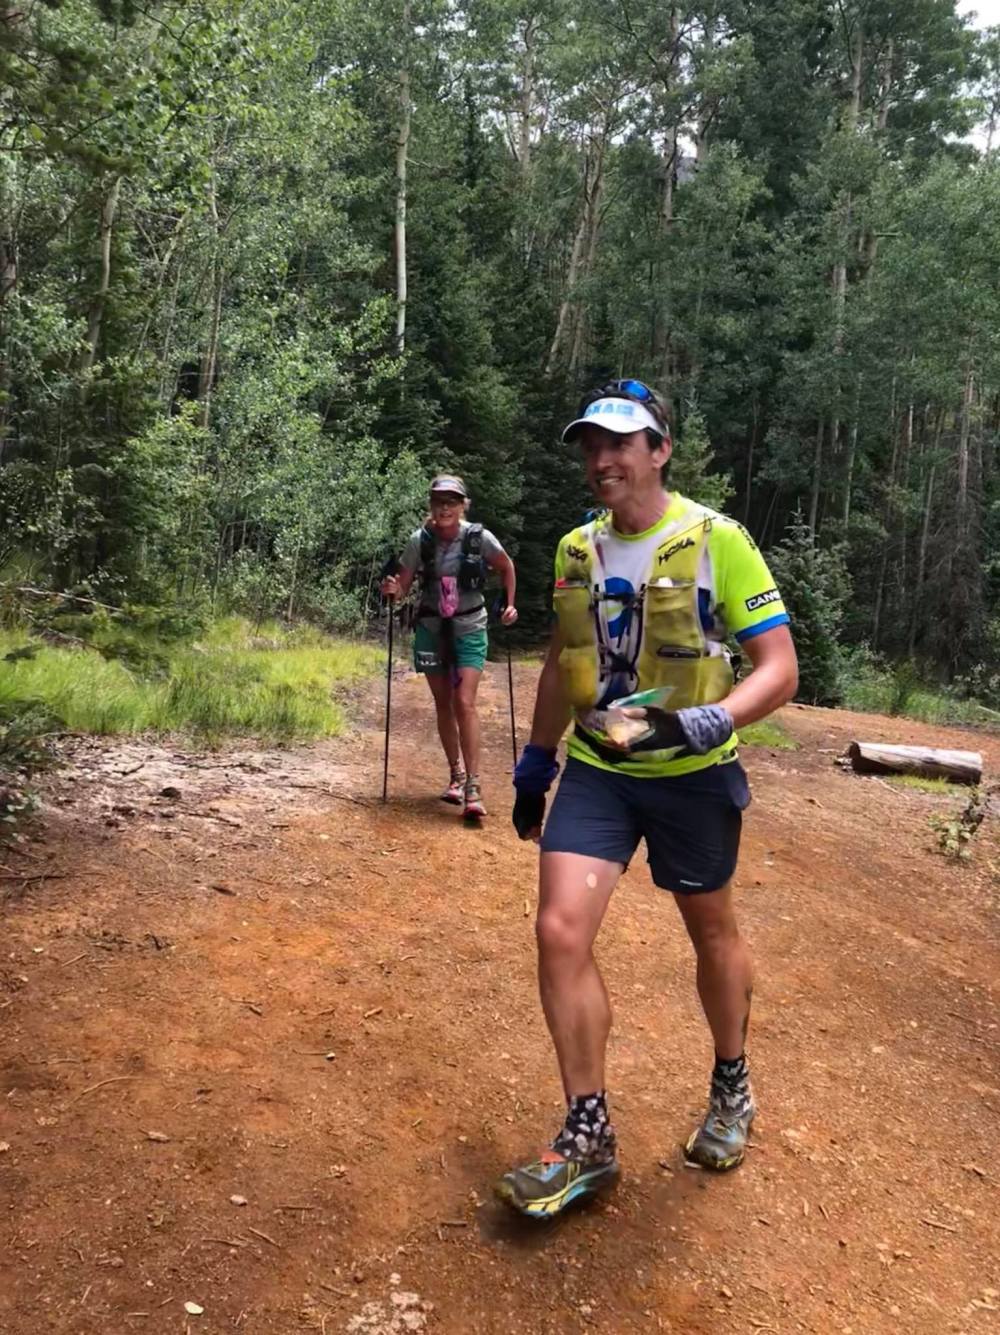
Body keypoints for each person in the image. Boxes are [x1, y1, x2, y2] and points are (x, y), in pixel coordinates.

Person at [496, 379, 798, 1219]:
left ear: (659, 449)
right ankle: (588, 1136)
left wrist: (711, 720)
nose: (602, 458)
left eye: (621, 442)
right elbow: (564, 659)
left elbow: (779, 667)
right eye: (590, 444)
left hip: (693, 775)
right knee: (558, 929)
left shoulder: (716, 541)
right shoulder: (573, 551)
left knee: (712, 932)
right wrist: (536, 759)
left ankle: (731, 1080)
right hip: (601, 769)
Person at [381, 474, 518, 820]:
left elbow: (506, 567)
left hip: (470, 625)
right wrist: (392, 590)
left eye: (452, 501)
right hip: (430, 628)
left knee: (464, 701)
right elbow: (404, 587)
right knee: (443, 702)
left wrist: (510, 604)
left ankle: (473, 784)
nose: (445, 507)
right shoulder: (419, 541)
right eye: (439, 501)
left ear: (463, 505)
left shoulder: (479, 538)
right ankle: (455, 775)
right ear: (431, 505)